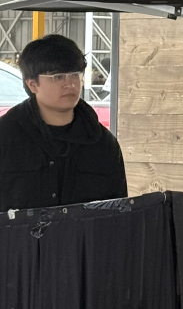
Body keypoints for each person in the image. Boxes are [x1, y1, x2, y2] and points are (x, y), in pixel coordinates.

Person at [0, 33, 126, 211]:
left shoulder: (102, 142)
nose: (70, 84)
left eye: (74, 75)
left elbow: (119, 213)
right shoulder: (6, 136)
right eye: (58, 77)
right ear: (32, 84)